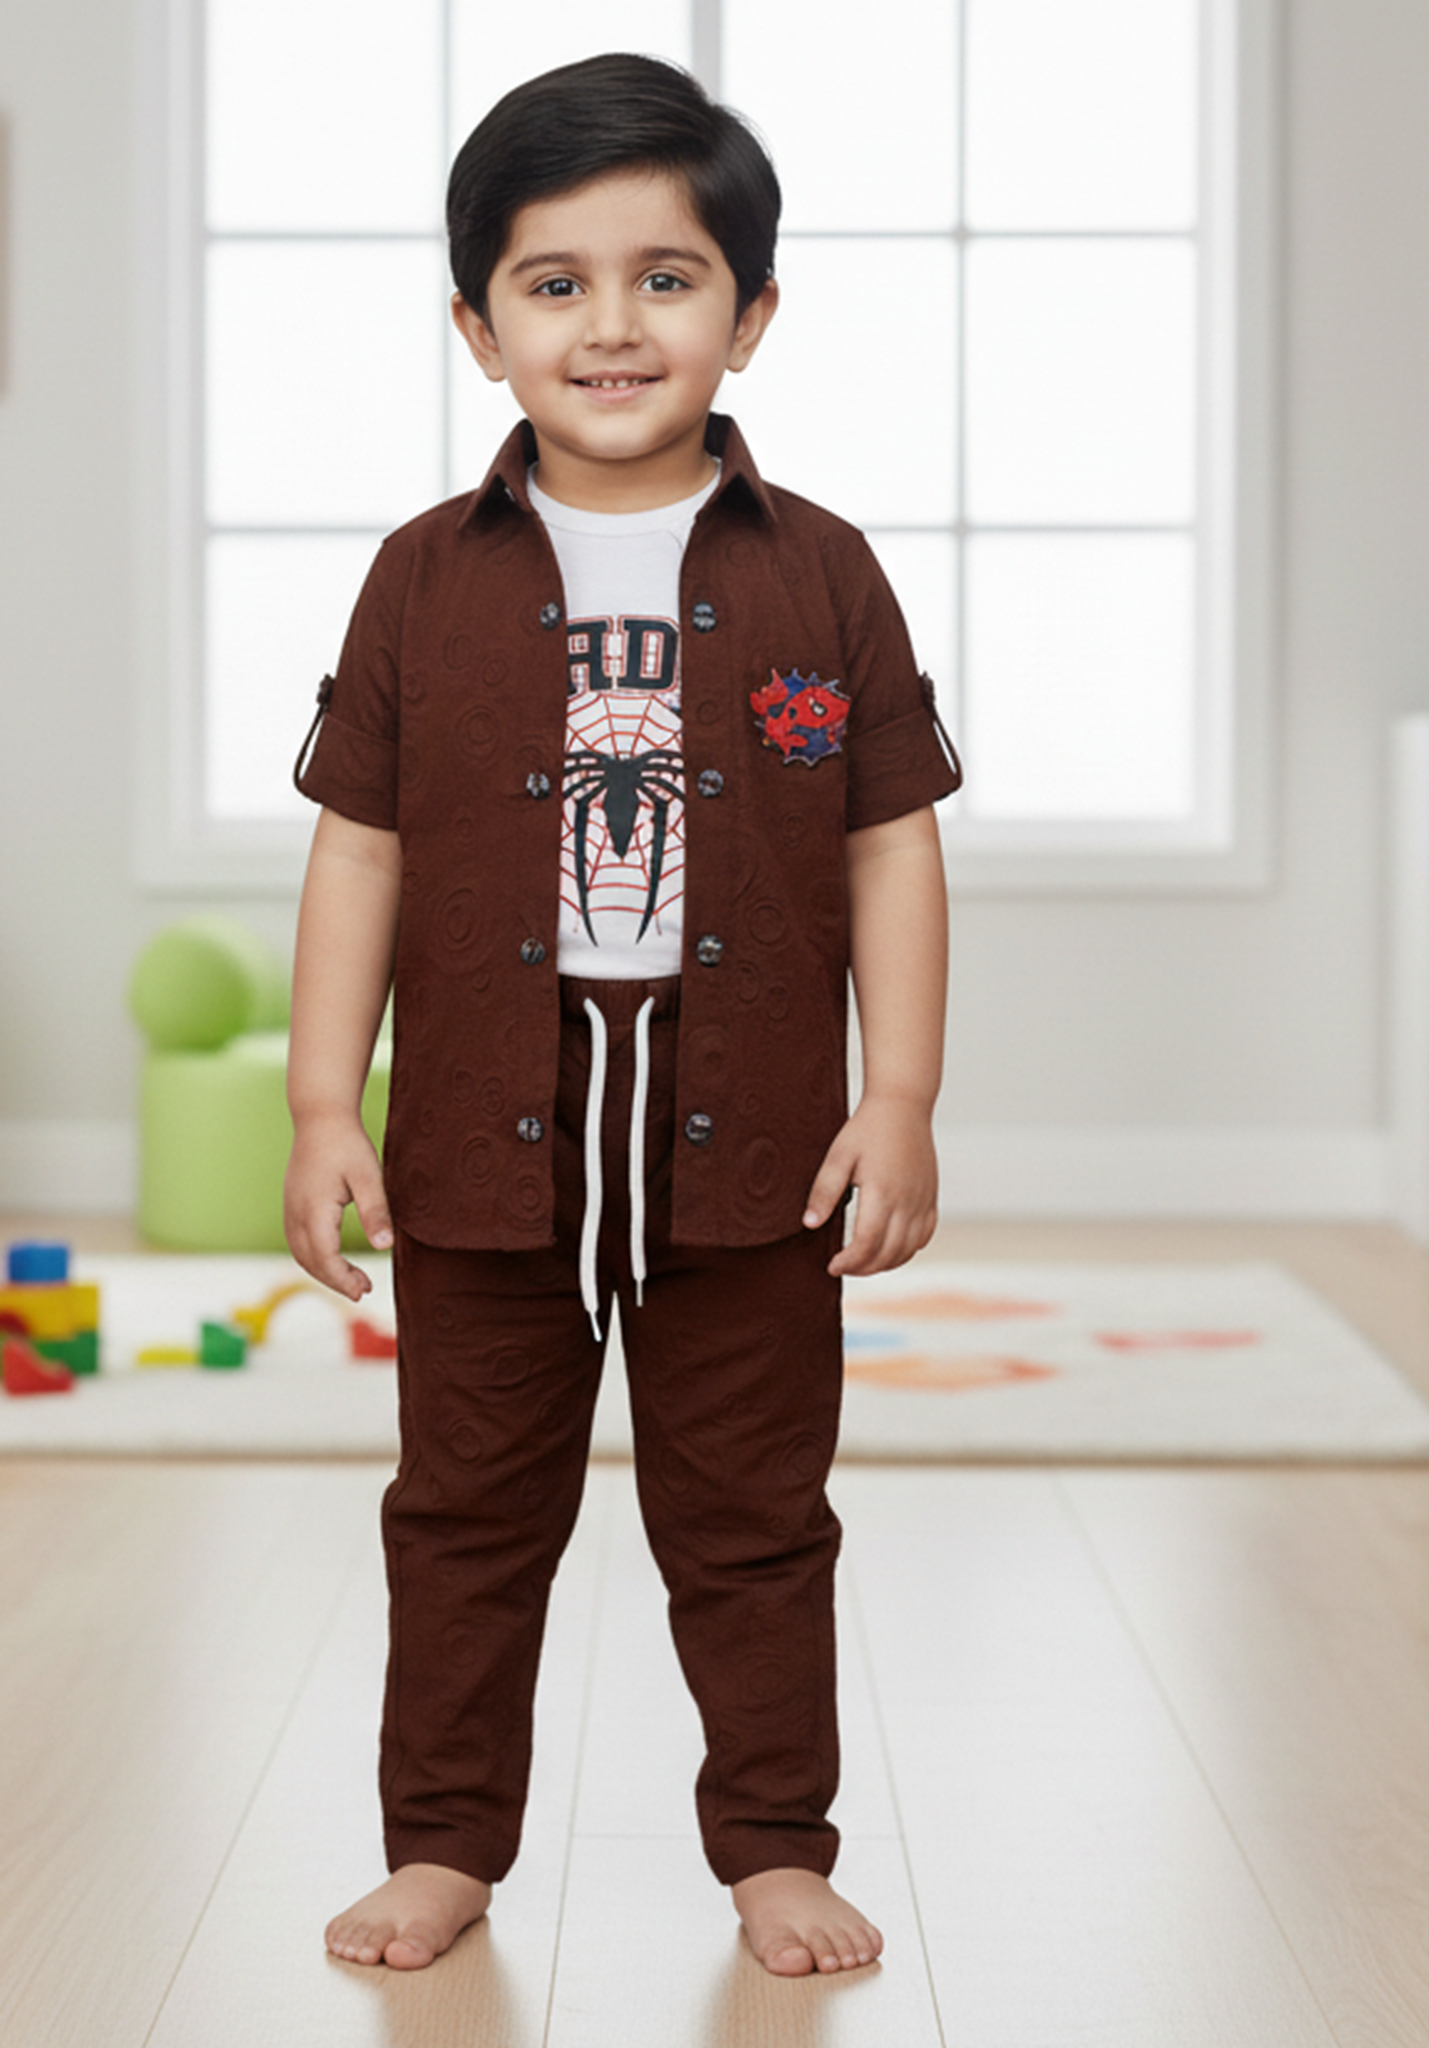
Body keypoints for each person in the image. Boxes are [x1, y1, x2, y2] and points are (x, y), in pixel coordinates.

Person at [285, 51, 960, 1979]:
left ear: (751, 315)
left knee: (753, 1512)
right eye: (553, 281)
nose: (611, 324)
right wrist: (329, 1106)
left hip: (746, 1123)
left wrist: (896, 1094)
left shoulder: (819, 569)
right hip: (493, 1121)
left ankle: (772, 1846)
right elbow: (360, 857)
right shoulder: (425, 577)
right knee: (466, 1512)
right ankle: (442, 1848)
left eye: (666, 278)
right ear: (476, 325)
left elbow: (892, 849)